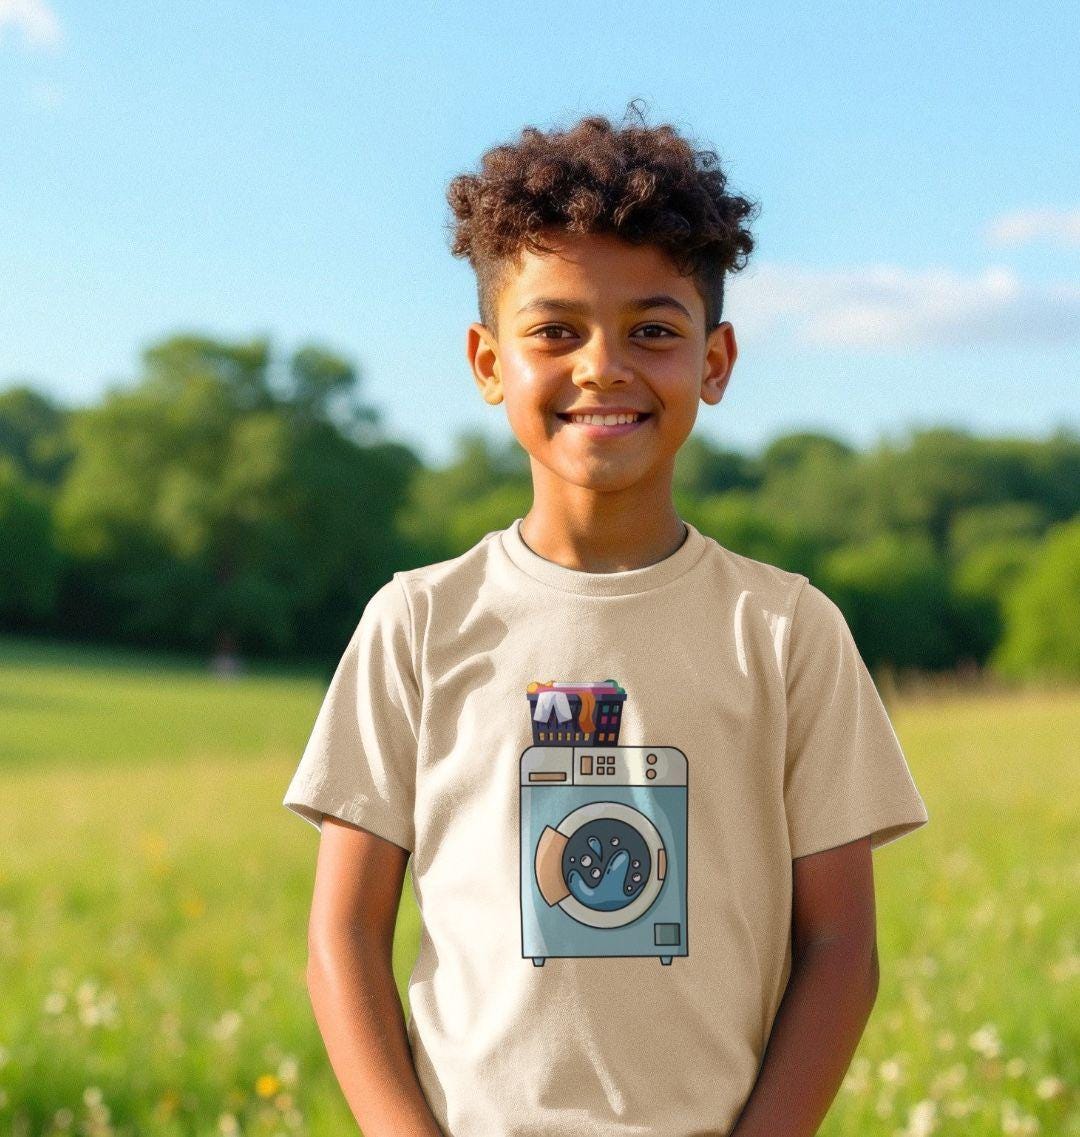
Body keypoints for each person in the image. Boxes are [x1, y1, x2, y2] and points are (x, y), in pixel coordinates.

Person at [282, 102, 930, 1137]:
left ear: (713, 364)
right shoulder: (417, 624)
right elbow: (343, 940)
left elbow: (842, 952)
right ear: (489, 361)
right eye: (555, 331)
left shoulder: (788, 631)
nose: (603, 367)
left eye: (654, 331)